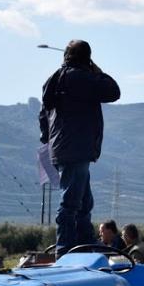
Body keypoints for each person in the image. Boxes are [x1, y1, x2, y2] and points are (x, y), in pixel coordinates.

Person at [40, 39, 121, 256]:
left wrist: (48, 139)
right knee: (71, 202)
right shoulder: (81, 78)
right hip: (76, 147)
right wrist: (97, 71)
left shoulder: (53, 79)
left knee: (84, 202)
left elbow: (43, 114)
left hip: (62, 148)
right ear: (87, 58)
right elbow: (113, 91)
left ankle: (85, 243)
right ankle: (65, 248)